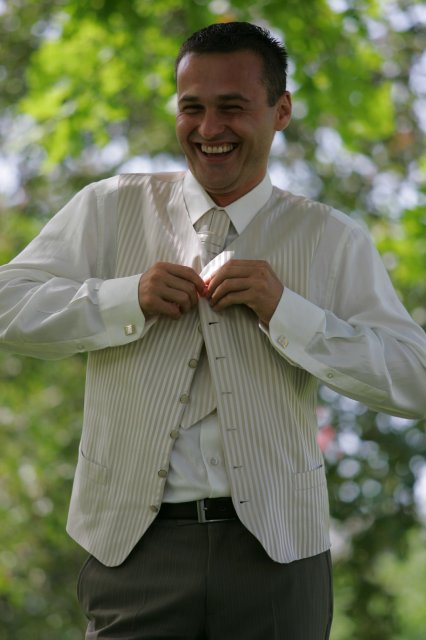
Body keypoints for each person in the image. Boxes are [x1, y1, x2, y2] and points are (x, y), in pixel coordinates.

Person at [1, 21, 426, 640]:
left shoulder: (330, 238)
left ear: (281, 111)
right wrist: (124, 297)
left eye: (232, 107)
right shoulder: (108, 207)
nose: (208, 128)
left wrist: (289, 313)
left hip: (278, 555)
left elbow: (415, 378)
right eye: (191, 108)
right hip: (131, 551)